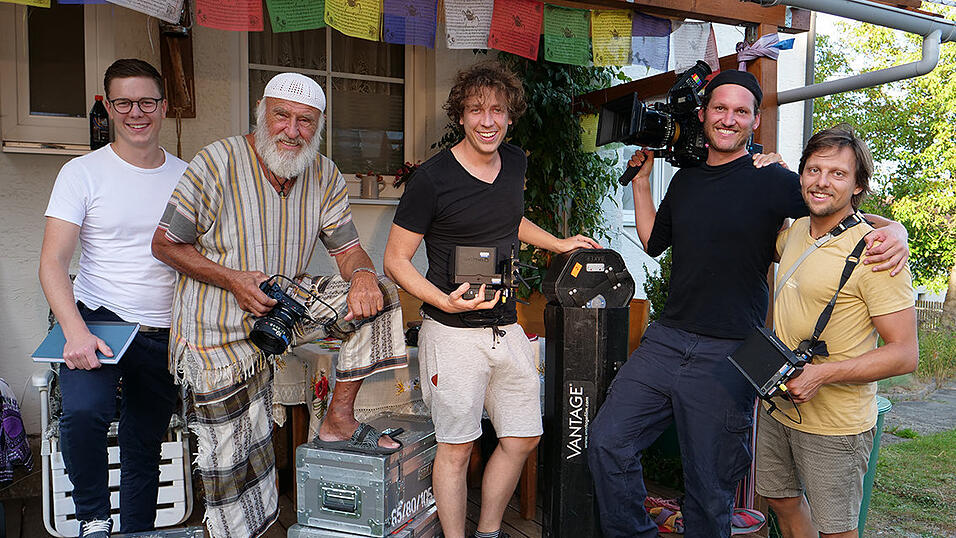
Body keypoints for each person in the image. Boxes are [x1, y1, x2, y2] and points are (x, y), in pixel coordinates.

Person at [587, 70, 911, 538]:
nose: (728, 118)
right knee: (608, 442)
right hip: (667, 338)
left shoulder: (775, 181)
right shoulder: (685, 180)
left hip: (729, 353)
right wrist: (641, 185)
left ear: (754, 121)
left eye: (741, 111)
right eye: (720, 108)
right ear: (703, 115)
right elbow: (654, 242)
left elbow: (838, 208)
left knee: (708, 485)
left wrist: (893, 229)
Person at [151, 72, 407, 537]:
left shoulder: (324, 172)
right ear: (261, 112)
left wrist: (365, 275)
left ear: (320, 124)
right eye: (282, 116)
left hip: (280, 311)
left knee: (383, 297)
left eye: (305, 121)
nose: (292, 130)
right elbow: (165, 244)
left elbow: (348, 250)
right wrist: (233, 280)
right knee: (234, 467)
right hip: (216, 338)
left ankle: (338, 420)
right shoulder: (216, 161)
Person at [383, 61, 599, 538]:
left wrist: (558, 243)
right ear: (460, 115)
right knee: (457, 447)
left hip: (507, 328)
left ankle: (488, 531)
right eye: (477, 110)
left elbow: (510, 220)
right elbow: (395, 260)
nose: (488, 120)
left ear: (510, 116)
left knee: (523, 436)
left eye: (498, 110)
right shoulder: (432, 178)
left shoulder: (516, 162)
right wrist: (443, 299)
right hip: (453, 333)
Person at [38, 59, 187, 538]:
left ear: (163, 108)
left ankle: (137, 531)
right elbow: (52, 263)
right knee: (82, 413)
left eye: (146, 102)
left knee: (144, 442)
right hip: (99, 320)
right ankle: (93, 519)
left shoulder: (188, 177)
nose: (136, 113)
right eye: (124, 102)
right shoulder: (82, 173)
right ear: (109, 107)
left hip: (165, 327)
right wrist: (75, 332)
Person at [757, 125, 917, 538]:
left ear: (858, 184)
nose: (822, 181)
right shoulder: (794, 234)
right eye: (813, 170)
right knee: (781, 501)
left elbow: (904, 353)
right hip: (779, 404)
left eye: (837, 174)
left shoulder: (878, 253)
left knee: (837, 530)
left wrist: (822, 374)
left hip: (835, 423)